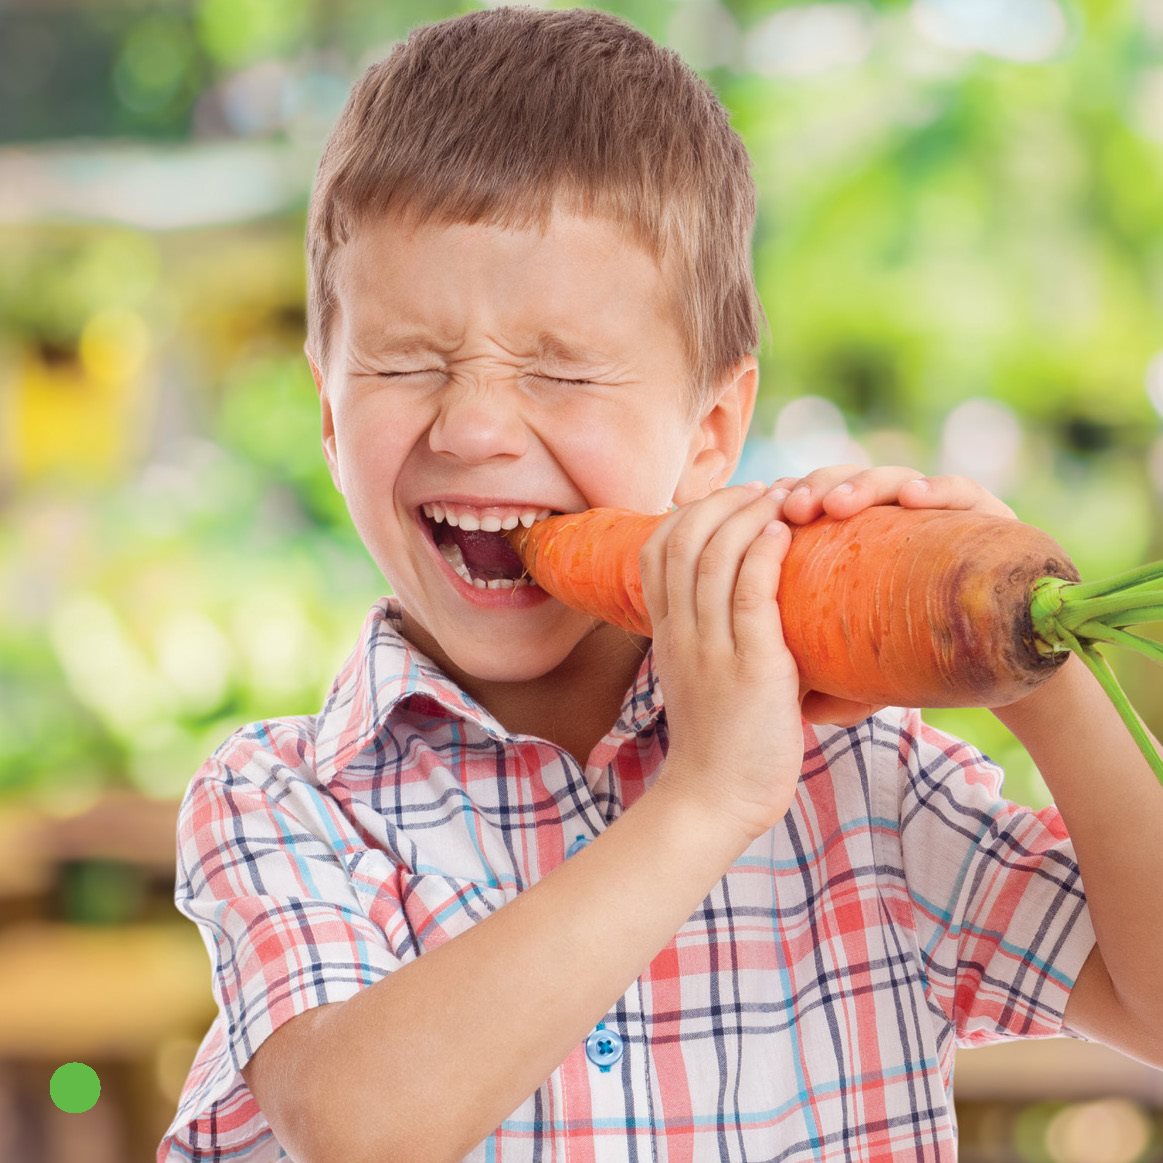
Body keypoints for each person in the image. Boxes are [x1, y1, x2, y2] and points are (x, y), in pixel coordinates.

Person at [158, 7, 1163, 1161]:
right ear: (331, 417)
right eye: (404, 362)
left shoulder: (862, 781)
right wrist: (706, 797)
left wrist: (1018, 662)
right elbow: (362, 1121)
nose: (476, 423)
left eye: (565, 368)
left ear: (711, 429)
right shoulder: (282, 797)